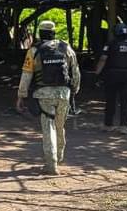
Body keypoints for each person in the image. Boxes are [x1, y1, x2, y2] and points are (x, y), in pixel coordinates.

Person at [16, 20, 81, 175]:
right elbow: (75, 71)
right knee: (59, 126)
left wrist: (21, 95)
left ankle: (51, 164)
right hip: (64, 94)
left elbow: (26, 75)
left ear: (40, 33)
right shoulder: (66, 47)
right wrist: (74, 90)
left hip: (44, 94)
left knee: (48, 127)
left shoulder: (34, 50)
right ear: (54, 33)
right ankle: (59, 156)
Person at [95, 23, 127, 134]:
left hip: (112, 75)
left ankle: (108, 124)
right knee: (125, 101)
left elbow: (103, 59)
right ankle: (124, 126)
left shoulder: (111, 44)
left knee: (110, 100)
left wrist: (97, 73)